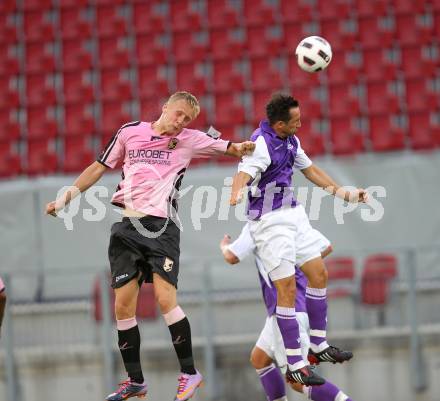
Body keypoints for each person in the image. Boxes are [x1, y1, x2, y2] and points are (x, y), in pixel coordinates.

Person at [45, 92, 255, 401]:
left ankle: (189, 372)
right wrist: (66, 197)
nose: (180, 121)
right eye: (178, 114)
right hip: (126, 228)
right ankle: (136, 381)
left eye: (187, 119)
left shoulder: (190, 139)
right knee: (122, 307)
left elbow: (229, 148)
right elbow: (99, 166)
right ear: (166, 107)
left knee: (164, 298)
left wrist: (242, 147)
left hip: (162, 228)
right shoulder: (130, 132)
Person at [229, 93, 368, 385]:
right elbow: (244, 172)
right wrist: (236, 191)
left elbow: (311, 170)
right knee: (287, 288)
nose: (300, 123)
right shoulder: (262, 144)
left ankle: (318, 346)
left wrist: (342, 193)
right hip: (269, 222)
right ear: (279, 124)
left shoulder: (291, 140)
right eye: (296, 121)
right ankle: (295, 361)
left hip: (292, 213)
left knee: (318, 273)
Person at [220, 226, 353, 401]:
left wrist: (223, 245)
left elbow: (231, 256)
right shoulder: (294, 220)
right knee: (259, 358)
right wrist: (295, 264)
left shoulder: (257, 224)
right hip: (305, 307)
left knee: (298, 381)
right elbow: (326, 247)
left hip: (285, 314)